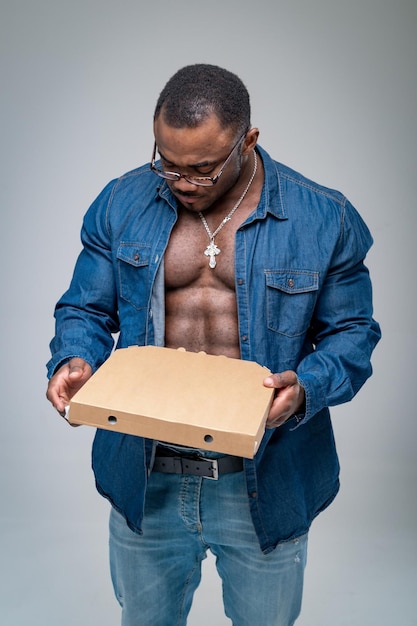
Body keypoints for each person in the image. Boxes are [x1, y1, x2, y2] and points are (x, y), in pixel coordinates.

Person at [46, 64, 381, 626]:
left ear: (248, 140)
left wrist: (306, 389)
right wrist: (75, 360)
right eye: (168, 163)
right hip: (146, 473)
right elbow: (84, 308)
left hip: (263, 478)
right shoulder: (121, 202)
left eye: (203, 168)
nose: (183, 182)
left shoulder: (323, 218)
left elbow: (353, 334)